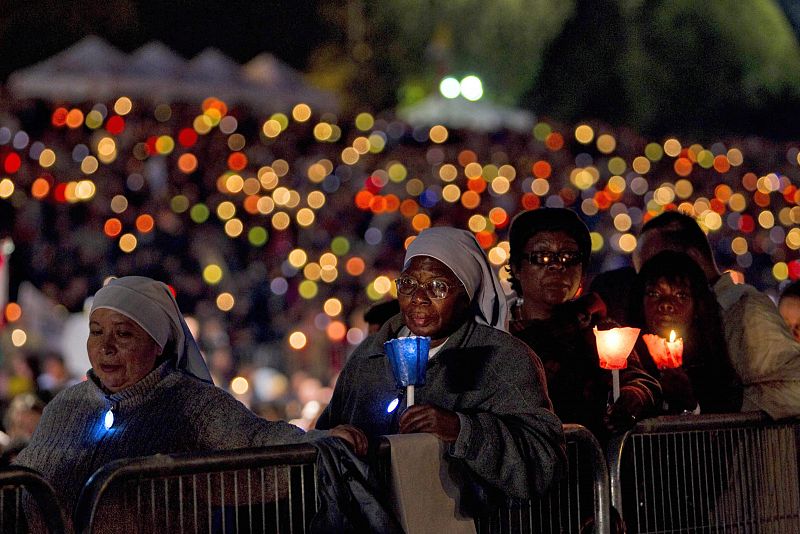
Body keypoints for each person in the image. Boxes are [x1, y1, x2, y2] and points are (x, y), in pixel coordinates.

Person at [14, 276, 366, 528]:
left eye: (123, 334)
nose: (105, 347)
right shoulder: (66, 405)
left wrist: (320, 444)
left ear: (157, 344)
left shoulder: (192, 404)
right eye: (96, 332)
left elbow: (257, 441)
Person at [316, 227, 565, 502]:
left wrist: (462, 430)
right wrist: (336, 438)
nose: (419, 297)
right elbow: (322, 440)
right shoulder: (369, 358)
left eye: (438, 286)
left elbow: (544, 462)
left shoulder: (503, 358)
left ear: (466, 295)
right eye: (408, 284)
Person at [506, 208, 660, 445]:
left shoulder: (599, 330)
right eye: (542, 257)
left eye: (569, 257)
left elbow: (640, 380)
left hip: (587, 470)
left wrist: (632, 398)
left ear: (583, 270)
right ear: (516, 267)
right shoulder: (498, 330)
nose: (557, 267)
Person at [634, 210, 800, 418]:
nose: (655, 276)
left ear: (692, 257)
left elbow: (795, 387)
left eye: (663, 263)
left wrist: (723, 405)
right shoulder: (681, 319)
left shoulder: (744, 310)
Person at [628, 251, 743, 414]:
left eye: (681, 295)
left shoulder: (715, 370)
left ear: (697, 306)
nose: (666, 304)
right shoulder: (629, 363)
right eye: (654, 294)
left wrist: (689, 403)